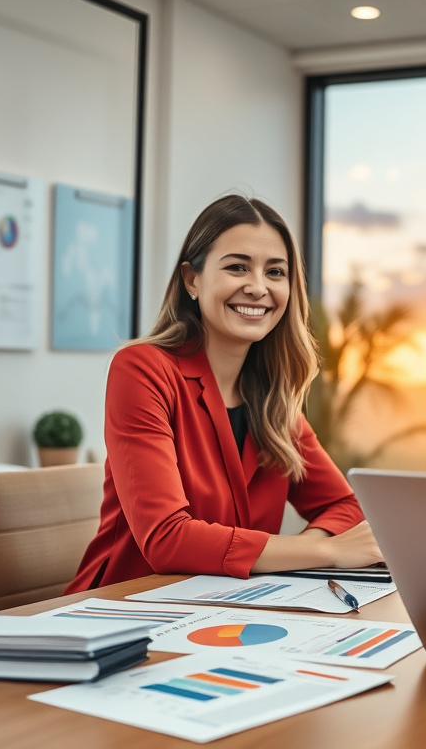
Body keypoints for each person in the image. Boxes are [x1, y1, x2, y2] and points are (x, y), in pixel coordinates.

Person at [68, 195, 381, 592]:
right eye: (237, 267)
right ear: (191, 279)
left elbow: (346, 506)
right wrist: (326, 551)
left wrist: (311, 548)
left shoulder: (274, 397)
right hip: (124, 606)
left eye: (275, 272)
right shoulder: (142, 369)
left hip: (230, 605)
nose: (258, 287)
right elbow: (167, 539)